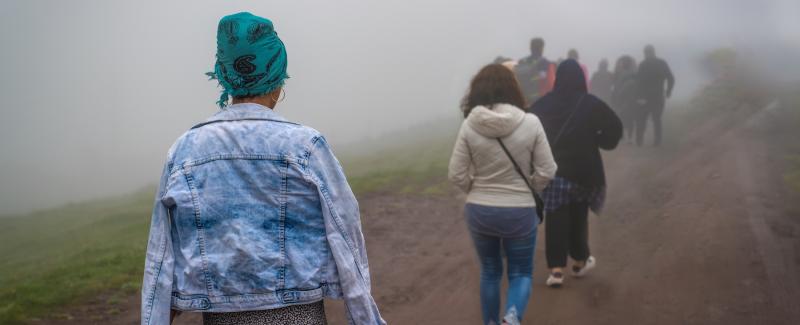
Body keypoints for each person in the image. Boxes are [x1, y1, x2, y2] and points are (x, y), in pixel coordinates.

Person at [140, 12, 384, 325]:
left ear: (224, 75)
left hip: (220, 318)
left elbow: (160, 252)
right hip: (299, 315)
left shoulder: (185, 150)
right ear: (278, 77)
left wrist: (156, 317)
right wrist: (364, 318)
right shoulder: (305, 146)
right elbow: (345, 228)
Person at [449, 64, 557, 325]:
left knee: (490, 271)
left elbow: (456, 174)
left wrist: (476, 189)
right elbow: (547, 170)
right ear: (513, 88)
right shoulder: (531, 123)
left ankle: (490, 322)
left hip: (480, 211)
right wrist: (530, 187)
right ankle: (512, 316)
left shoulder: (470, 125)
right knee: (520, 272)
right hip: (519, 211)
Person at [528, 60, 622, 288]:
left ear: (557, 79)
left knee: (556, 216)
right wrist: (599, 140)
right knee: (579, 216)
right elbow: (615, 128)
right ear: (581, 78)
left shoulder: (543, 105)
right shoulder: (590, 103)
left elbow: (526, 127)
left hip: (554, 171)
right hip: (585, 172)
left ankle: (556, 270)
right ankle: (579, 261)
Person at [635, 45, 675, 146]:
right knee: (657, 119)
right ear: (654, 52)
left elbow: (638, 82)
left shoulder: (643, 64)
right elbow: (671, 78)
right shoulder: (662, 63)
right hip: (658, 96)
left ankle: (639, 141)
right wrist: (668, 91)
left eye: (645, 53)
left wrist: (638, 96)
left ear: (646, 53)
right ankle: (657, 141)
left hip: (644, 97)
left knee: (641, 119)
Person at [515, 38, 555, 104]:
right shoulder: (546, 63)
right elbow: (551, 84)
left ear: (530, 48)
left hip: (524, 99)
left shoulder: (521, 62)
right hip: (541, 100)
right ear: (542, 48)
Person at [611, 55, 639, 142]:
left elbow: (616, 85)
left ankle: (622, 135)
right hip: (632, 99)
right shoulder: (635, 74)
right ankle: (629, 137)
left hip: (621, 98)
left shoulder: (620, 74)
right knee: (630, 118)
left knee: (621, 117)